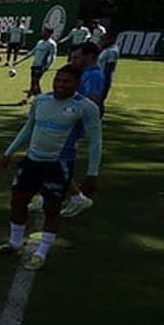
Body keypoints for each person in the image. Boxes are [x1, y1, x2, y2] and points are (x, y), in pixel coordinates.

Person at [0, 64, 100, 270]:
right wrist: (9, 151)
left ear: (77, 84)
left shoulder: (86, 108)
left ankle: (41, 253)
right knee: (18, 201)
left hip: (59, 165)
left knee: (51, 208)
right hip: (31, 161)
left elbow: (95, 142)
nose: (60, 85)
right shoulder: (41, 101)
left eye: (66, 81)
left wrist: (92, 174)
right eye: (57, 80)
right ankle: (14, 242)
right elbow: (29, 127)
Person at [57, 41, 106, 218]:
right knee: (55, 159)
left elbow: (92, 101)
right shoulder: (84, 73)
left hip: (74, 122)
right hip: (69, 119)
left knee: (57, 159)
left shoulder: (93, 75)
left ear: (90, 56)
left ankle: (75, 197)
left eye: (78, 57)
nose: (74, 60)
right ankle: (72, 197)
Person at [11, 27, 59, 102]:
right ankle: (27, 99)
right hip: (35, 65)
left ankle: (41, 99)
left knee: (35, 81)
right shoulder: (40, 42)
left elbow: (52, 56)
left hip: (41, 66)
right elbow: (32, 53)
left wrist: (47, 66)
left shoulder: (51, 44)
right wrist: (19, 61)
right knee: (33, 83)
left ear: (49, 33)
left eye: (45, 32)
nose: (43, 33)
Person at [98, 32, 120, 102]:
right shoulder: (106, 49)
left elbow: (110, 68)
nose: (101, 41)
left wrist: (103, 80)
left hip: (103, 79)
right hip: (99, 77)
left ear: (111, 40)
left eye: (104, 40)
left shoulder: (112, 51)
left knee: (99, 101)